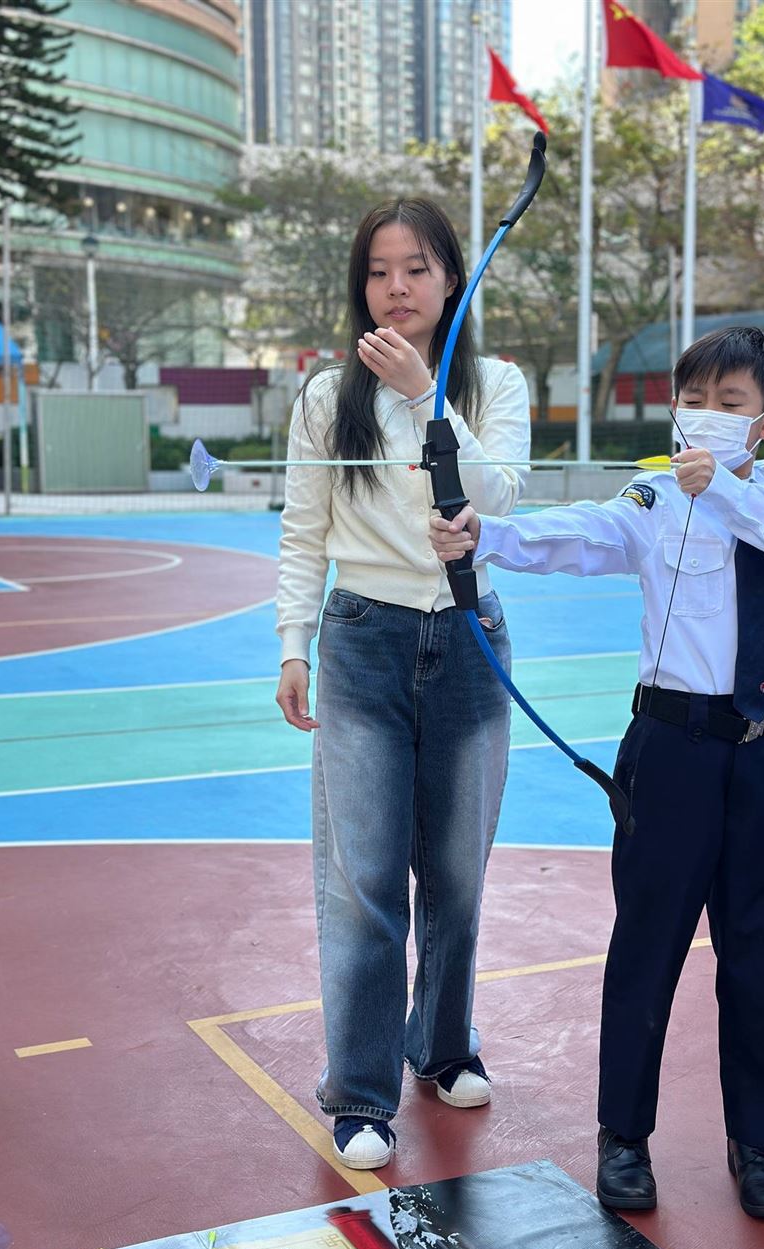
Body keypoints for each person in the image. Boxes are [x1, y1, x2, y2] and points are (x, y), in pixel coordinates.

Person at [430, 326, 764, 1218]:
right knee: (646, 948)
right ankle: (622, 1137)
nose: (704, 417)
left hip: (753, 750)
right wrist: (485, 535)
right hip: (668, 749)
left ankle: (758, 1144)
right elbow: (581, 535)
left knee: (752, 951)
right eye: (692, 400)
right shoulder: (653, 495)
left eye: (729, 404)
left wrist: (725, 490)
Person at [274, 197, 531, 1171]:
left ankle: (443, 1042)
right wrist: (294, 645)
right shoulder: (324, 395)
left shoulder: (494, 382)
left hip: (469, 638)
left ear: (452, 278)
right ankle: (359, 1090)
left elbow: (497, 497)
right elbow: (303, 529)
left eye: (416, 267)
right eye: (378, 271)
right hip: (363, 640)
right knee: (364, 882)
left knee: (457, 873)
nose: (396, 287)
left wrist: (427, 396)